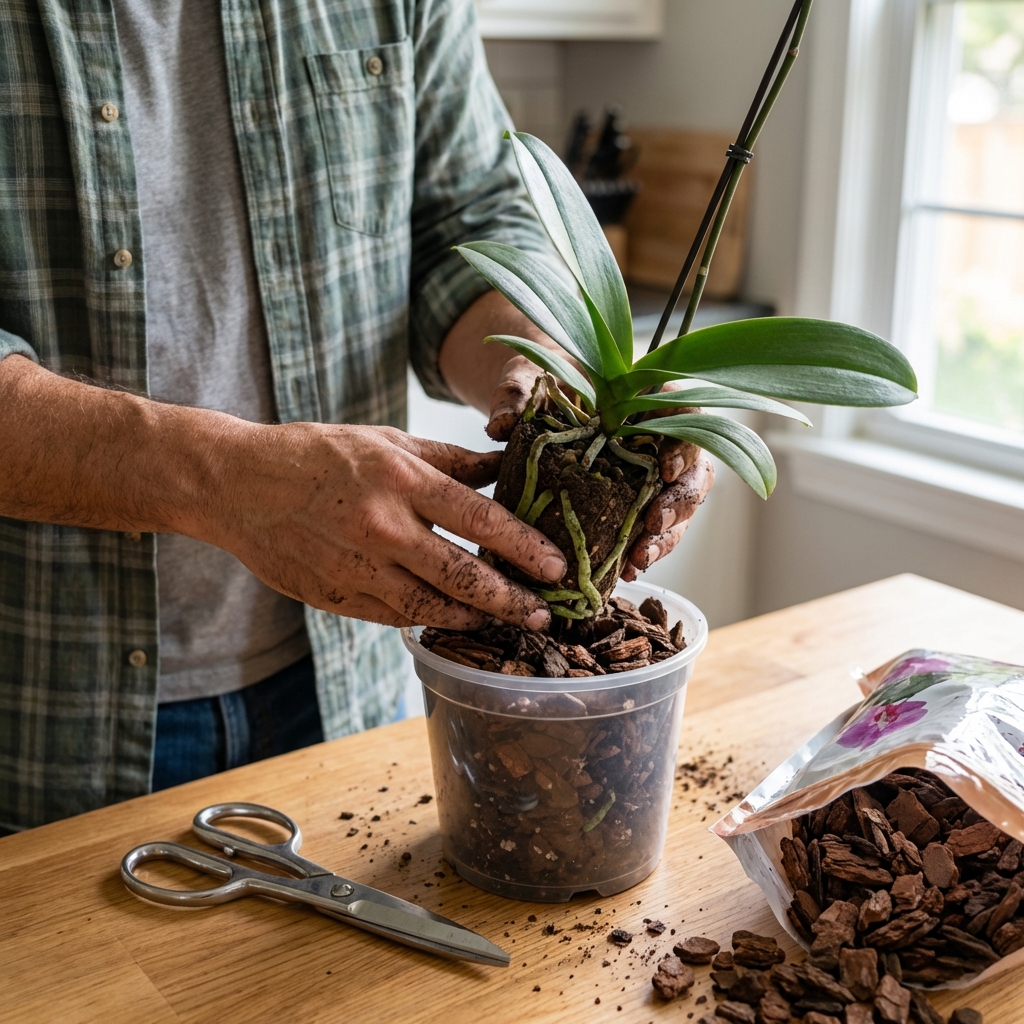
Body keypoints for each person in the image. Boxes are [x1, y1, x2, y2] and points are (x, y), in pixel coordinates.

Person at [0, 0, 713, 834]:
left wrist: (537, 367)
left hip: (352, 687)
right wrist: (229, 480)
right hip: (42, 719)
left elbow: (468, 224)